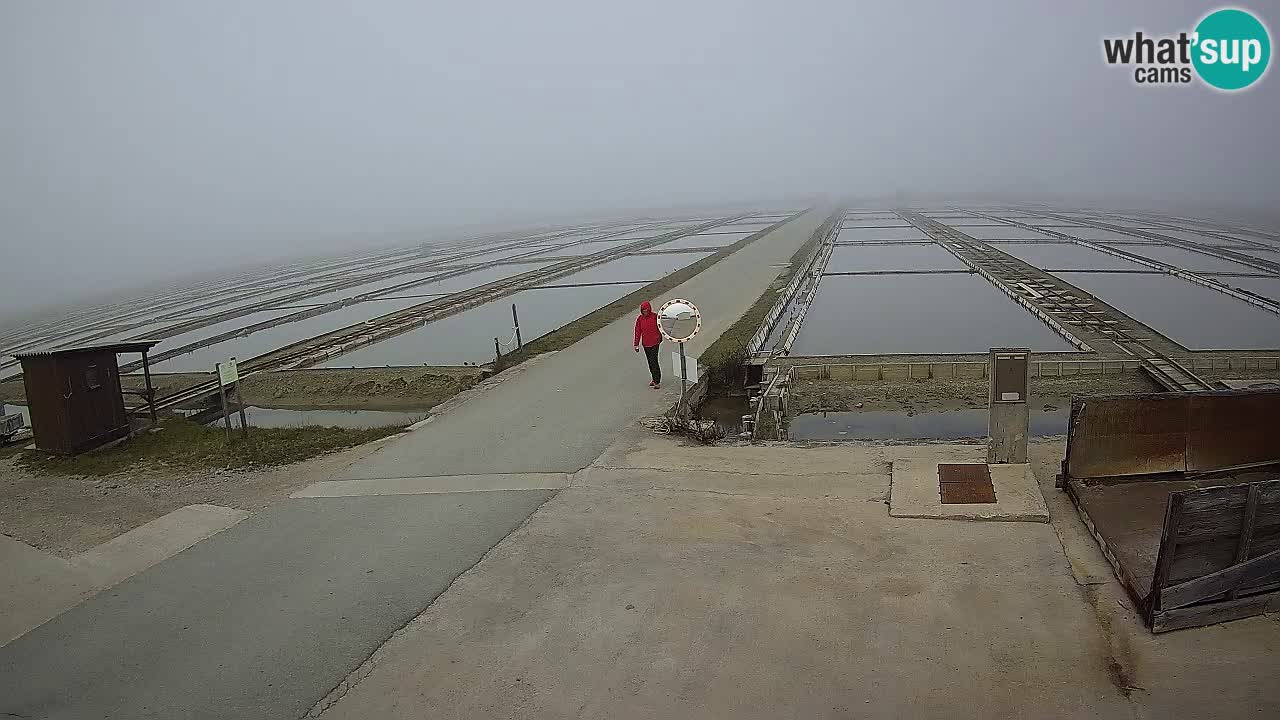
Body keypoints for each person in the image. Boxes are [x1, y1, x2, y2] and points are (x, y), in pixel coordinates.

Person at [633, 300, 662, 388]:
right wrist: (636, 344)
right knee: (650, 362)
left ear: (649, 309)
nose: (645, 312)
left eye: (647, 310)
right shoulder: (640, 319)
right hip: (646, 344)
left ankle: (657, 381)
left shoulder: (655, 317)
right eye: (643, 310)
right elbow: (637, 331)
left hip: (655, 343)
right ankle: (653, 379)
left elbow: (661, 327)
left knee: (654, 361)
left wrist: (660, 338)